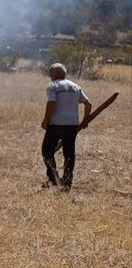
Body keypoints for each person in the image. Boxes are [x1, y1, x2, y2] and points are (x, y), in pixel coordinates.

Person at [40, 62, 91, 192]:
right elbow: (88, 104)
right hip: (72, 125)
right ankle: (67, 183)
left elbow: (51, 103)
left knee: (47, 151)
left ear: (56, 73)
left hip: (56, 124)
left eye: (50, 72)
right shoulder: (75, 86)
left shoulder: (53, 86)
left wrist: (45, 120)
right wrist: (84, 121)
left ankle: (54, 179)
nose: (49, 75)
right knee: (69, 155)